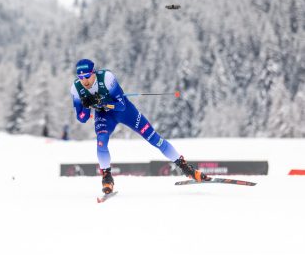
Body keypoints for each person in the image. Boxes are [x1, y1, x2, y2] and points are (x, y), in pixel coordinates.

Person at [70, 58, 209, 194]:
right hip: (104, 117)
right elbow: (82, 118)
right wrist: (86, 105)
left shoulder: (106, 78)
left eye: (87, 76)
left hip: (125, 112)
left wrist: (102, 102)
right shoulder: (76, 89)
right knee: (101, 142)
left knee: (154, 139)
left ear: (93, 73)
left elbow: (121, 106)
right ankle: (107, 177)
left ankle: (186, 168)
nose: (84, 81)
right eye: (80, 77)